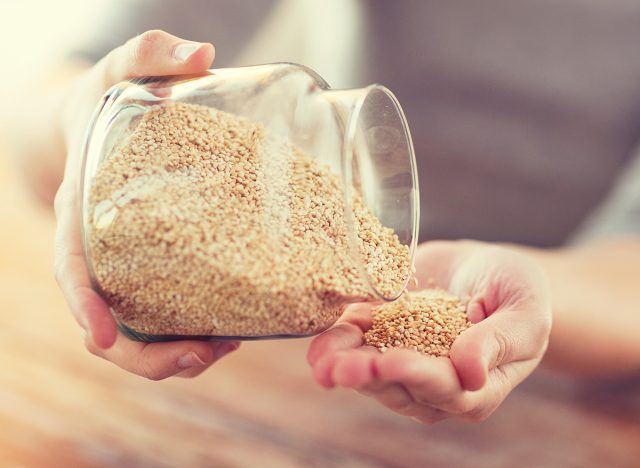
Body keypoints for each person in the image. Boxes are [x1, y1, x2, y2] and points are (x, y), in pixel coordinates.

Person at [7, 1, 640, 423]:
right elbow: (43, 111)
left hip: (594, 386)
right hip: (312, 355)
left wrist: (538, 292)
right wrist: (79, 123)